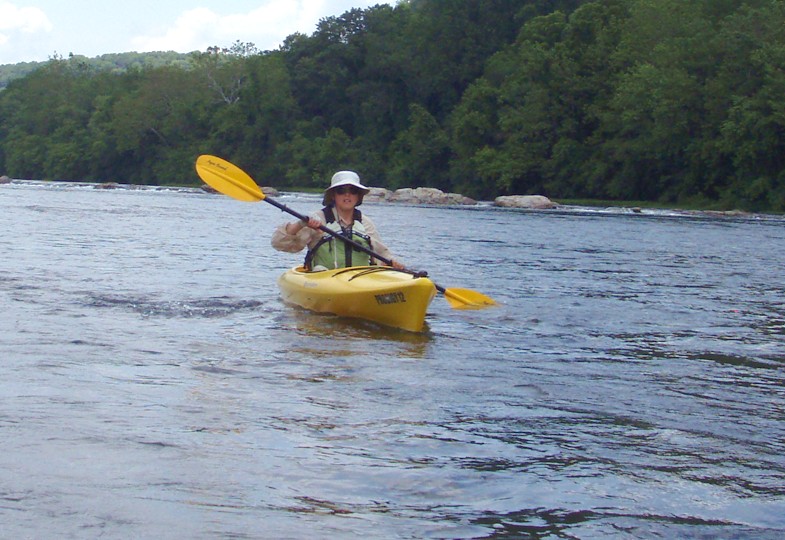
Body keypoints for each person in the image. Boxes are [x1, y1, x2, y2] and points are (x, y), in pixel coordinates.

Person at [271, 171, 404, 271]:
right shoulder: (318, 219)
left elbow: (382, 253)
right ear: (333, 195)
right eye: (341, 191)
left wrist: (392, 262)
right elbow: (279, 243)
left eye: (353, 190)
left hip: (359, 281)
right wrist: (301, 224)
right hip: (324, 279)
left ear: (358, 196)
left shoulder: (365, 222)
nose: (347, 195)